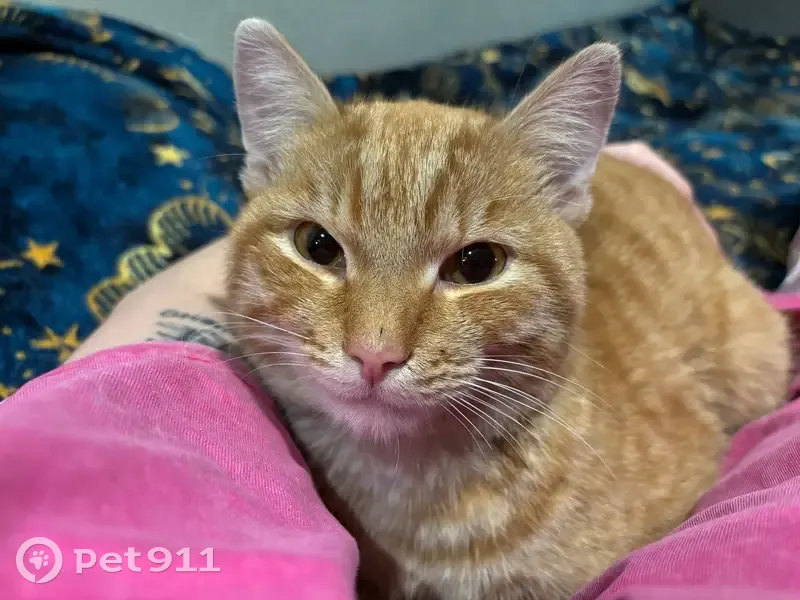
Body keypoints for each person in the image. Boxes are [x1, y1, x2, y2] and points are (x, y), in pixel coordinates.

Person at [2, 143, 800, 599]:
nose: (377, 344)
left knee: (764, 358)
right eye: (321, 249)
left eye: (474, 263)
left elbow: (691, 446)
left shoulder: (590, 491)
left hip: (671, 292)